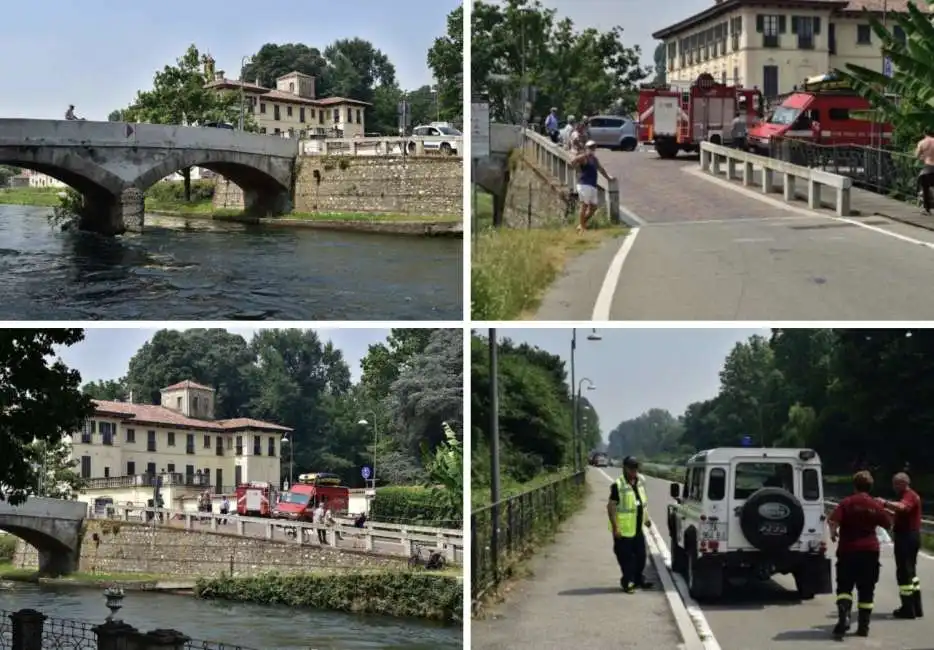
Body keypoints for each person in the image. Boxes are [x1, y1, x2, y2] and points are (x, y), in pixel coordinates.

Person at [827, 470, 892, 638]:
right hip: (870, 552)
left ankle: (844, 617)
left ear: (854, 485)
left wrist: (833, 533)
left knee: (844, 587)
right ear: (870, 486)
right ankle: (863, 627)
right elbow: (887, 524)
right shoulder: (875, 505)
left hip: (848, 550)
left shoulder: (847, 503)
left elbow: (833, 520)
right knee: (867, 589)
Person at [878, 472, 923, 619]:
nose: (894, 487)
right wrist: (887, 511)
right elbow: (901, 512)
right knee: (911, 573)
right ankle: (917, 607)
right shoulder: (907, 496)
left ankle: (907, 609)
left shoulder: (909, 495)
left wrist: (884, 502)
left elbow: (903, 507)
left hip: (906, 537)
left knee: (904, 573)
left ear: (903, 483)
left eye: (896, 483)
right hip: (911, 535)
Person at [607, 456, 654, 593]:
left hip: (637, 528)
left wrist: (646, 519)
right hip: (624, 530)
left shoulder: (640, 482)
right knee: (626, 559)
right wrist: (616, 527)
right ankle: (627, 581)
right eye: (632, 468)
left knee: (641, 557)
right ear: (626, 468)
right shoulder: (618, 485)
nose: (634, 471)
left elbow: (640, 504)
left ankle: (639, 579)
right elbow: (611, 507)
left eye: (636, 468)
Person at [571, 141, 609, 233]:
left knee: (593, 207)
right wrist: (577, 169)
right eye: (590, 147)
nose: (592, 149)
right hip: (584, 184)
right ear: (586, 148)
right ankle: (582, 228)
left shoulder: (594, 159)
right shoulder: (584, 157)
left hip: (592, 184)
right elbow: (573, 161)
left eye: (594, 147)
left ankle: (582, 224)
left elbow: (601, 169)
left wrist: (608, 177)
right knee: (584, 205)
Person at [915, 129, 934, 215]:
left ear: (924, 133)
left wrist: (923, 157)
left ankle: (927, 209)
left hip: (928, 169)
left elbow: (917, 155)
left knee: (925, 189)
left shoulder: (922, 142)